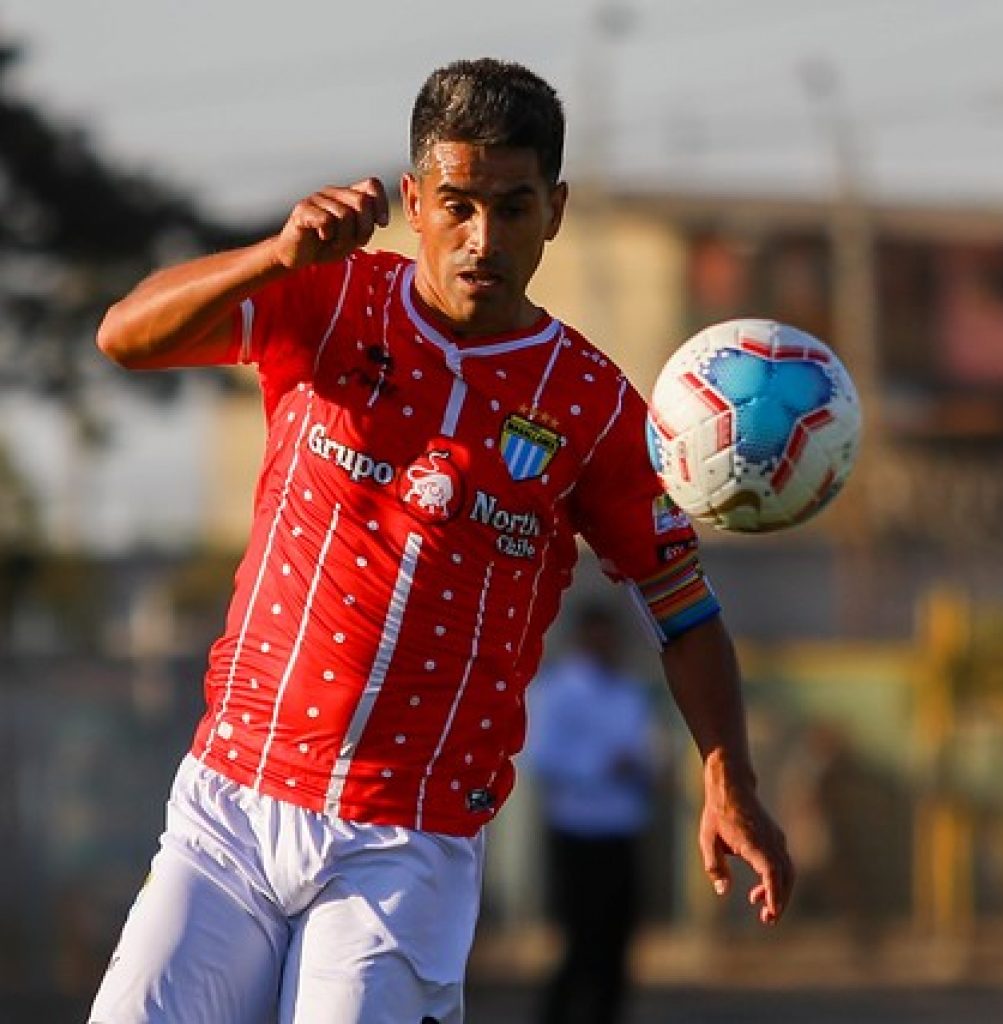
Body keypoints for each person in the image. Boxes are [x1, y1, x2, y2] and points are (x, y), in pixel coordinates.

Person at [89, 57, 793, 1024]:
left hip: (404, 840)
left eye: (513, 207)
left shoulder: (592, 411)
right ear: (415, 200)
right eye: (458, 204)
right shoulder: (328, 299)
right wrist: (275, 255)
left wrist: (731, 781)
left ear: (555, 209)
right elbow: (126, 336)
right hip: (230, 805)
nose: (482, 237)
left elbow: (685, 615)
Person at [527, 601, 660, 1024]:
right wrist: (601, 765)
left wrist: (643, 768)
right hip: (576, 829)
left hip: (621, 829)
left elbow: (648, 752)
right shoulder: (557, 690)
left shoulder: (629, 693)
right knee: (581, 944)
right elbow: (542, 756)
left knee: (618, 946)